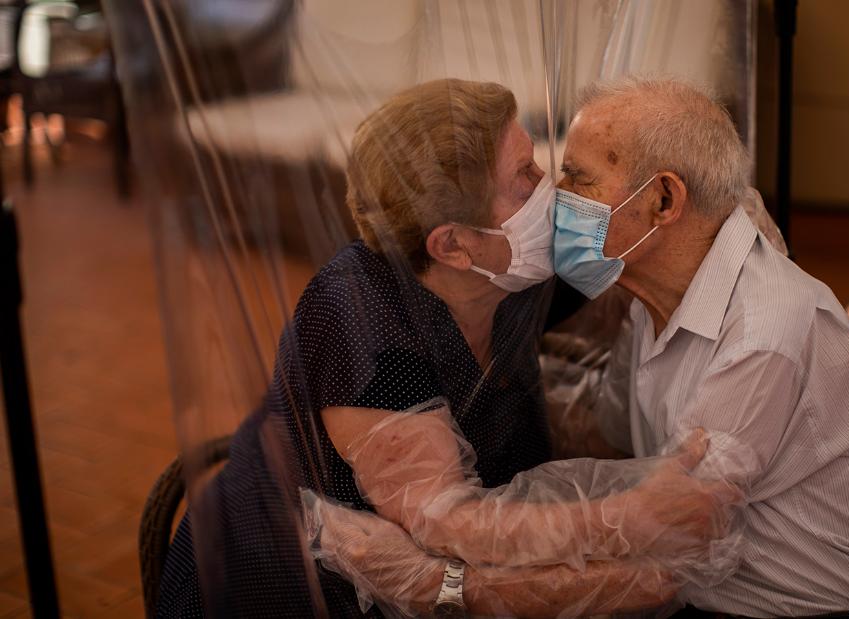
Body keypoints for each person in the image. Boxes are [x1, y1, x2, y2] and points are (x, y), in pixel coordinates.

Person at [157, 78, 740, 619]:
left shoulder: (508, 272)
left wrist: (723, 221)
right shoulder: (362, 328)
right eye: (523, 178)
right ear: (454, 244)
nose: (551, 192)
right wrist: (630, 521)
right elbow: (449, 530)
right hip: (289, 588)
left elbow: (630, 256)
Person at [548, 76, 849, 617]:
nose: (559, 198)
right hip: (699, 596)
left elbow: (669, 530)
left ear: (664, 200)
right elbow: (611, 435)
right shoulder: (649, 295)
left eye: (579, 179)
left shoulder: (762, 332)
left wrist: (459, 561)